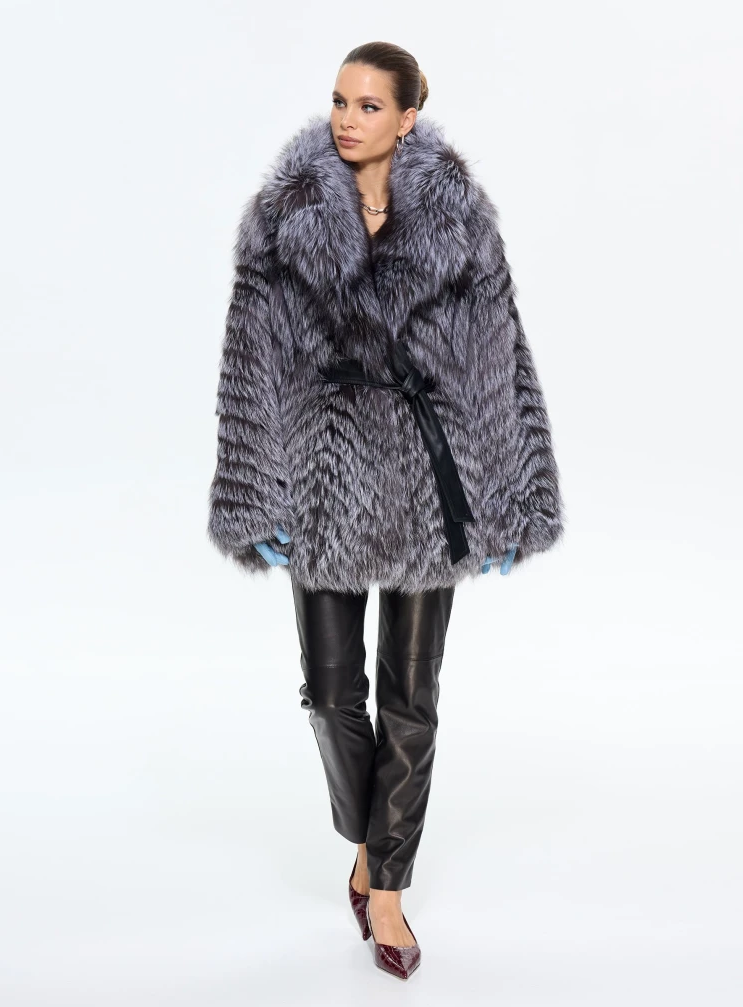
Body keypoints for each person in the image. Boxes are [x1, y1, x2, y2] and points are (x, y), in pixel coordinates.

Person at [207, 41, 565, 981]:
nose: (347, 118)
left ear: (409, 117)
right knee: (332, 693)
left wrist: (512, 494)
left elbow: (499, 356)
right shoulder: (282, 217)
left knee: (412, 699)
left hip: (427, 480)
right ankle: (369, 838)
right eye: (339, 100)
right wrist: (253, 485)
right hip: (323, 474)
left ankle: (388, 886)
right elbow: (250, 359)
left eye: (369, 105)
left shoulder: (461, 222)